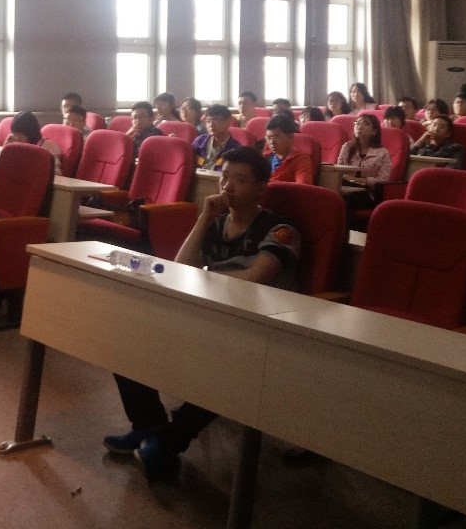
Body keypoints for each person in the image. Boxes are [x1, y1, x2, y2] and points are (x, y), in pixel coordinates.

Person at [102, 147, 301, 480]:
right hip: (213, 314)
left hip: (260, 327)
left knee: (225, 367)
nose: (228, 186)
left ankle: (168, 443)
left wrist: (205, 281)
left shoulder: (281, 229)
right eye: (224, 177)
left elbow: (254, 279)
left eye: (240, 180)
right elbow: (180, 268)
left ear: (260, 189)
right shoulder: (218, 223)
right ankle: (148, 424)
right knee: (128, 336)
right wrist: (204, 217)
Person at [337, 114, 392, 191]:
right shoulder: (347, 147)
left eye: (366, 124)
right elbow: (338, 171)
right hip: (345, 188)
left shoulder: (383, 153)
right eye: (357, 123)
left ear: (374, 131)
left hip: (368, 192)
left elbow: (383, 180)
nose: (360, 127)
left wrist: (357, 180)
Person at [6, 110, 61, 174]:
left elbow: (57, 174)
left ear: (30, 133)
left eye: (19, 135)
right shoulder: (17, 143)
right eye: (15, 134)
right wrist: (7, 148)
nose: (16, 138)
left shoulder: (47, 147)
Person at [263, 114, 313, 184]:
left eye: (276, 137)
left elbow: (303, 186)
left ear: (290, 136)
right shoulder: (265, 157)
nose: (272, 142)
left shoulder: (301, 159)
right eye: (268, 138)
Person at [191, 104, 237, 171]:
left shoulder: (235, 149)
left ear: (228, 121)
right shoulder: (199, 141)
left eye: (216, 120)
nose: (211, 124)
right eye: (208, 121)